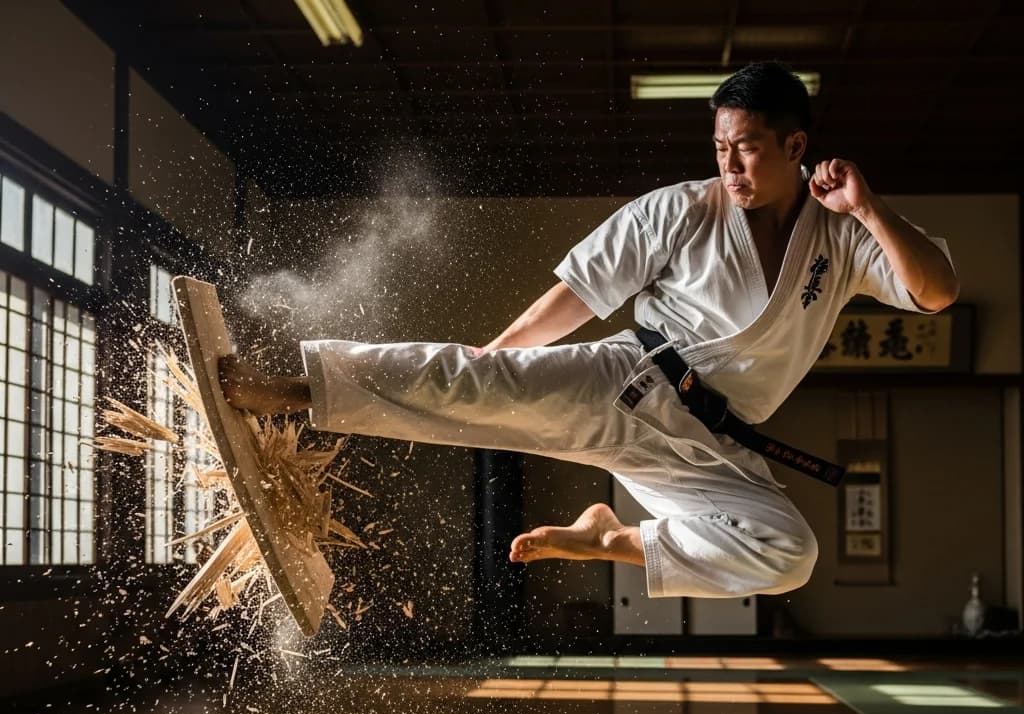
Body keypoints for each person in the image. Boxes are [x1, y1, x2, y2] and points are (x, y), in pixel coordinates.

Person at [220, 61, 958, 601]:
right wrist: (494, 363)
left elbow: (937, 291)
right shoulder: (681, 209)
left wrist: (867, 208)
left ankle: (611, 538)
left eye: (749, 147)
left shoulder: (843, 235)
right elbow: (578, 296)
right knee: (470, 381)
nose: (731, 165)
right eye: (720, 147)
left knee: (789, 553)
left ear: (796, 147)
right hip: (625, 384)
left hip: (707, 443)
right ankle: (293, 388)